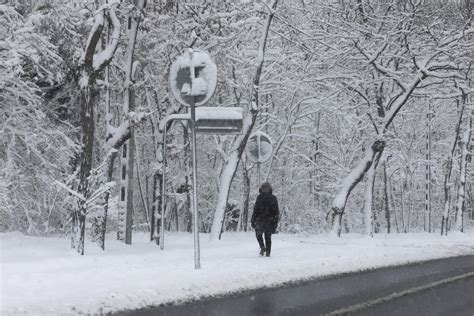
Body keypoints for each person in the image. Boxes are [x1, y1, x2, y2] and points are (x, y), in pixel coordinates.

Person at [251, 182, 279, 257]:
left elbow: (276, 212)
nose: (265, 190)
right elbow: (256, 210)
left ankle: (266, 251)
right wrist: (253, 220)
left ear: (269, 189)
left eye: (266, 188)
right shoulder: (260, 197)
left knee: (265, 236)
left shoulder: (271, 198)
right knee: (261, 235)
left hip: (266, 220)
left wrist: (275, 222)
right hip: (264, 220)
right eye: (264, 188)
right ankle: (264, 249)